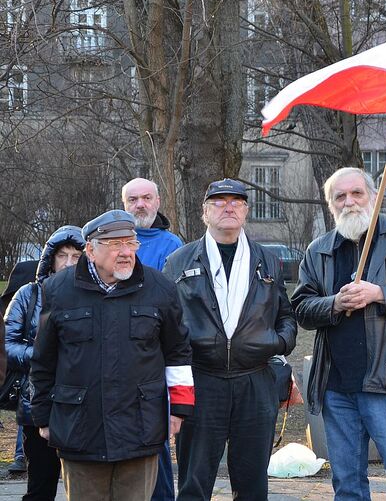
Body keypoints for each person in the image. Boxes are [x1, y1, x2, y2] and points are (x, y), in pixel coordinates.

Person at [293, 167, 386, 501]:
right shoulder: (318, 250)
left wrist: (380, 294)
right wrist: (334, 302)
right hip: (336, 387)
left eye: (357, 193)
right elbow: (301, 307)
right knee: (347, 486)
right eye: (340, 196)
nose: (349, 202)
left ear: (374, 196)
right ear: (330, 204)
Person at [29, 211, 194, 501]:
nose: (126, 252)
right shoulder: (57, 289)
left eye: (131, 243)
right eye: (115, 244)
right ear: (91, 250)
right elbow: (44, 360)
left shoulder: (160, 288)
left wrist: (179, 409)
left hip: (140, 430)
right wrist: (42, 415)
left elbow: (178, 352)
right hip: (80, 430)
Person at [163, 179, 297, 500]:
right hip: (201, 381)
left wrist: (277, 343)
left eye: (236, 202)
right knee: (194, 482)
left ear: (246, 211)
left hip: (255, 381)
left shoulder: (267, 260)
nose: (228, 207)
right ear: (205, 212)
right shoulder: (179, 261)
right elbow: (165, 323)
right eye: (219, 201)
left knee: (252, 483)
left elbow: (285, 316)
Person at [4, 226, 84, 499]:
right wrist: (44, 357)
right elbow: (7, 345)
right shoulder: (29, 295)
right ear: (50, 258)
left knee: (86, 485)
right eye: (63, 256)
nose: (69, 263)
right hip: (38, 403)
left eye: (77, 256)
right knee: (40, 484)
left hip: (86, 406)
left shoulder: (96, 295)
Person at [122, 177, 183, 501]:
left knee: (155, 438)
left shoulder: (171, 245)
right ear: (124, 204)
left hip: (154, 359)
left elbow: (173, 307)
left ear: (158, 202)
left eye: (146, 198)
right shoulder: (114, 240)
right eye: (133, 199)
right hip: (117, 358)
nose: (140, 205)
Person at [1, 258, 38, 475]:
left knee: (27, 409)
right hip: (26, 364)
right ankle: (20, 455)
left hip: (27, 362)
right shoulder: (26, 292)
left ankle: (20, 455)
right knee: (26, 408)